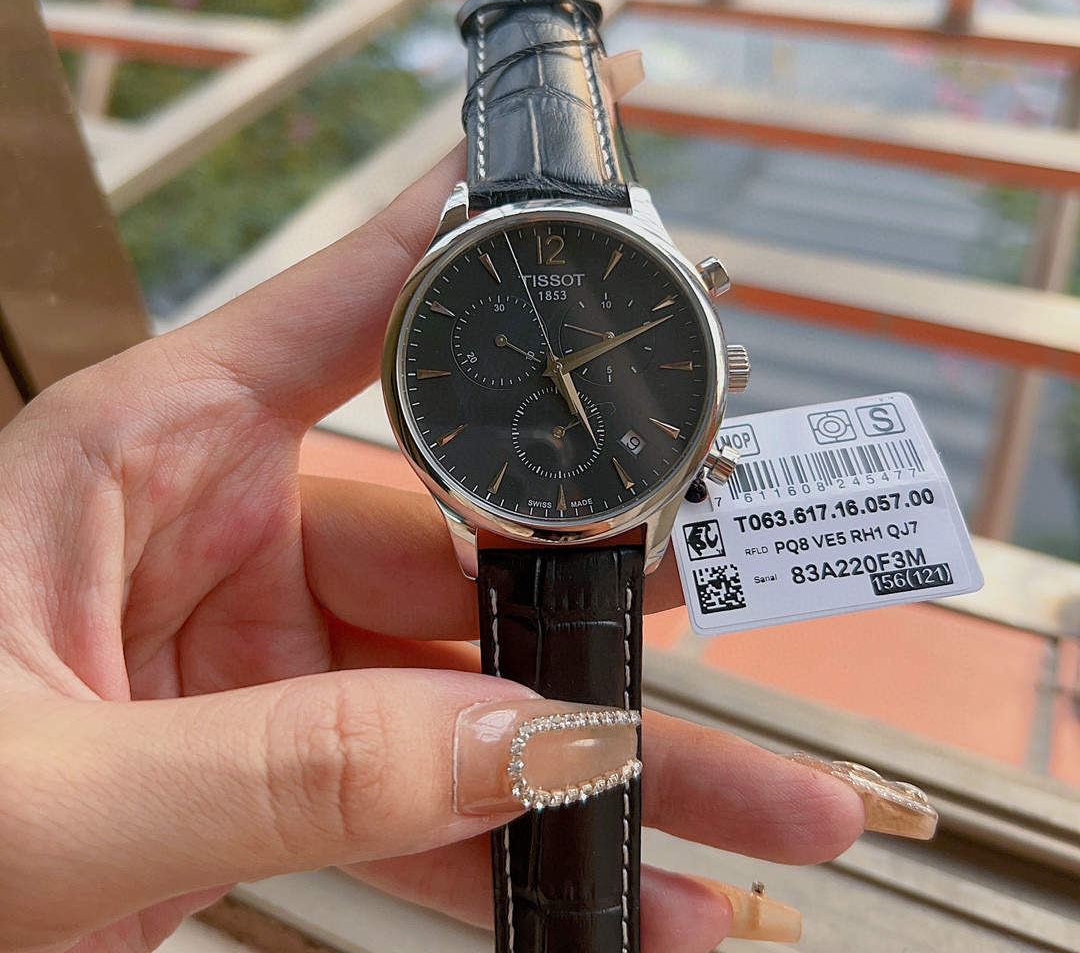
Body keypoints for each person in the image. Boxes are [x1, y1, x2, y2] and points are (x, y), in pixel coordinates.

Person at [1, 145, 886, 953]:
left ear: (718, 365)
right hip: (498, 505)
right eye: (549, 369)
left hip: (576, 497)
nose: (558, 376)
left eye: (572, 368)